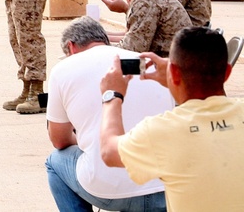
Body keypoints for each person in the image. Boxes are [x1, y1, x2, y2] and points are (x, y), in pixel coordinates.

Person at [100, 26, 244, 211]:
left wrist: (112, 95)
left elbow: (108, 152)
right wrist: (176, 78)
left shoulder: (161, 131)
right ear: (227, 73)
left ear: (174, 72)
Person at [45, 16, 171, 212]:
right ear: (104, 40)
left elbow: (59, 140)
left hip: (107, 192)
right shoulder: (143, 63)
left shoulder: (62, 69)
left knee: (55, 160)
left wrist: (89, 141)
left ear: (71, 47)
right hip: (164, 192)